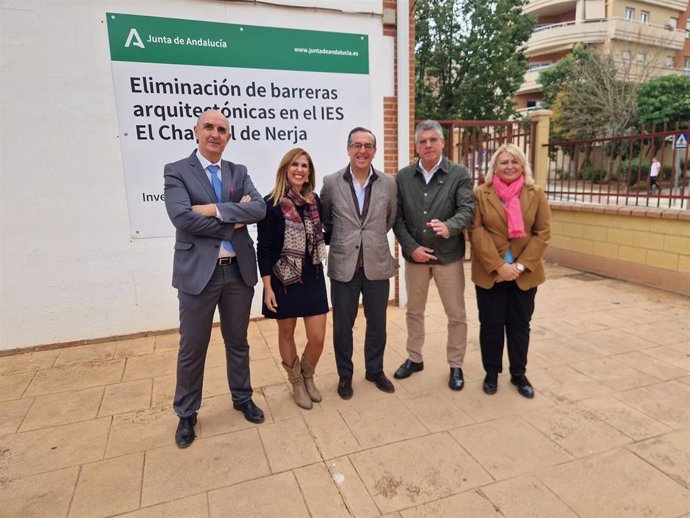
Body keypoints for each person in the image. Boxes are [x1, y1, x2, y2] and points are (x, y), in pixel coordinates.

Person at [164, 110, 267, 448]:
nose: (215, 134)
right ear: (196, 131)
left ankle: (242, 397)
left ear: (229, 136)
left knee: (238, 341)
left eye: (222, 129)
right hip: (198, 275)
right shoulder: (177, 171)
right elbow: (182, 217)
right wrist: (235, 215)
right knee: (193, 346)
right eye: (209, 127)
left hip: (238, 272)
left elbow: (260, 210)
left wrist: (210, 209)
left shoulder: (239, 172)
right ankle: (187, 413)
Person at [392, 120, 474, 391]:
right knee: (414, 311)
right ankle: (414, 358)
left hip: (448, 256)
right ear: (416, 146)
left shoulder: (459, 173)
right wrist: (411, 247)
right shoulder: (403, 177)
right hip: (416, 258)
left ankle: (456, 365)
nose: (428, 145)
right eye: (422, 141)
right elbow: (397, 218)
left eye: (433, 140)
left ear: (442, 143)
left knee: (456, 314)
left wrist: (449, 227)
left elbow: (467, 210)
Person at [468, 143, 551, 398]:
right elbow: (475, 231)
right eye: (503, 162)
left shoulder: (535, 193)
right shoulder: (481, 194)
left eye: (514, 161)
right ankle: (491, 373)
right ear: (495, 166)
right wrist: (499, 266)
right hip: (491, 273)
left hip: (524, 273)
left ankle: (519, 374)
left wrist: (520, 265)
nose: (509, 166)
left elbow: (543, 233)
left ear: (522, 164)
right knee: (491, 325)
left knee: (519, 325)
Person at [321, 127, 398, 400]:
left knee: (377, 322)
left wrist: (370, 240)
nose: (362, 150)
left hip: (377, 262)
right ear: (348, 149)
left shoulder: (388, 183)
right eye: (357, 145)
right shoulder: (331, 182)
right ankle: (345, 374)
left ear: (374, 151)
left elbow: (389, 219)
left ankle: (374, 370)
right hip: (344, 264)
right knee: (343, 324)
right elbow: (326, 220)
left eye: (367, 146)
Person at [256, 148, 328, 410]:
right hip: (283, 280)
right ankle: (296, 382)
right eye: (295, 165)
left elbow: (322, 235)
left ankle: (308, 375)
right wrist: (267, 287)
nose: (300, 169)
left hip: (313, 276)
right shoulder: (271, 204)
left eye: (305, 166)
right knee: (286, 333)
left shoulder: (314, 202)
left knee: (318, 338)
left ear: (309, 172)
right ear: (285, 169)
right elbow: (263, 247)